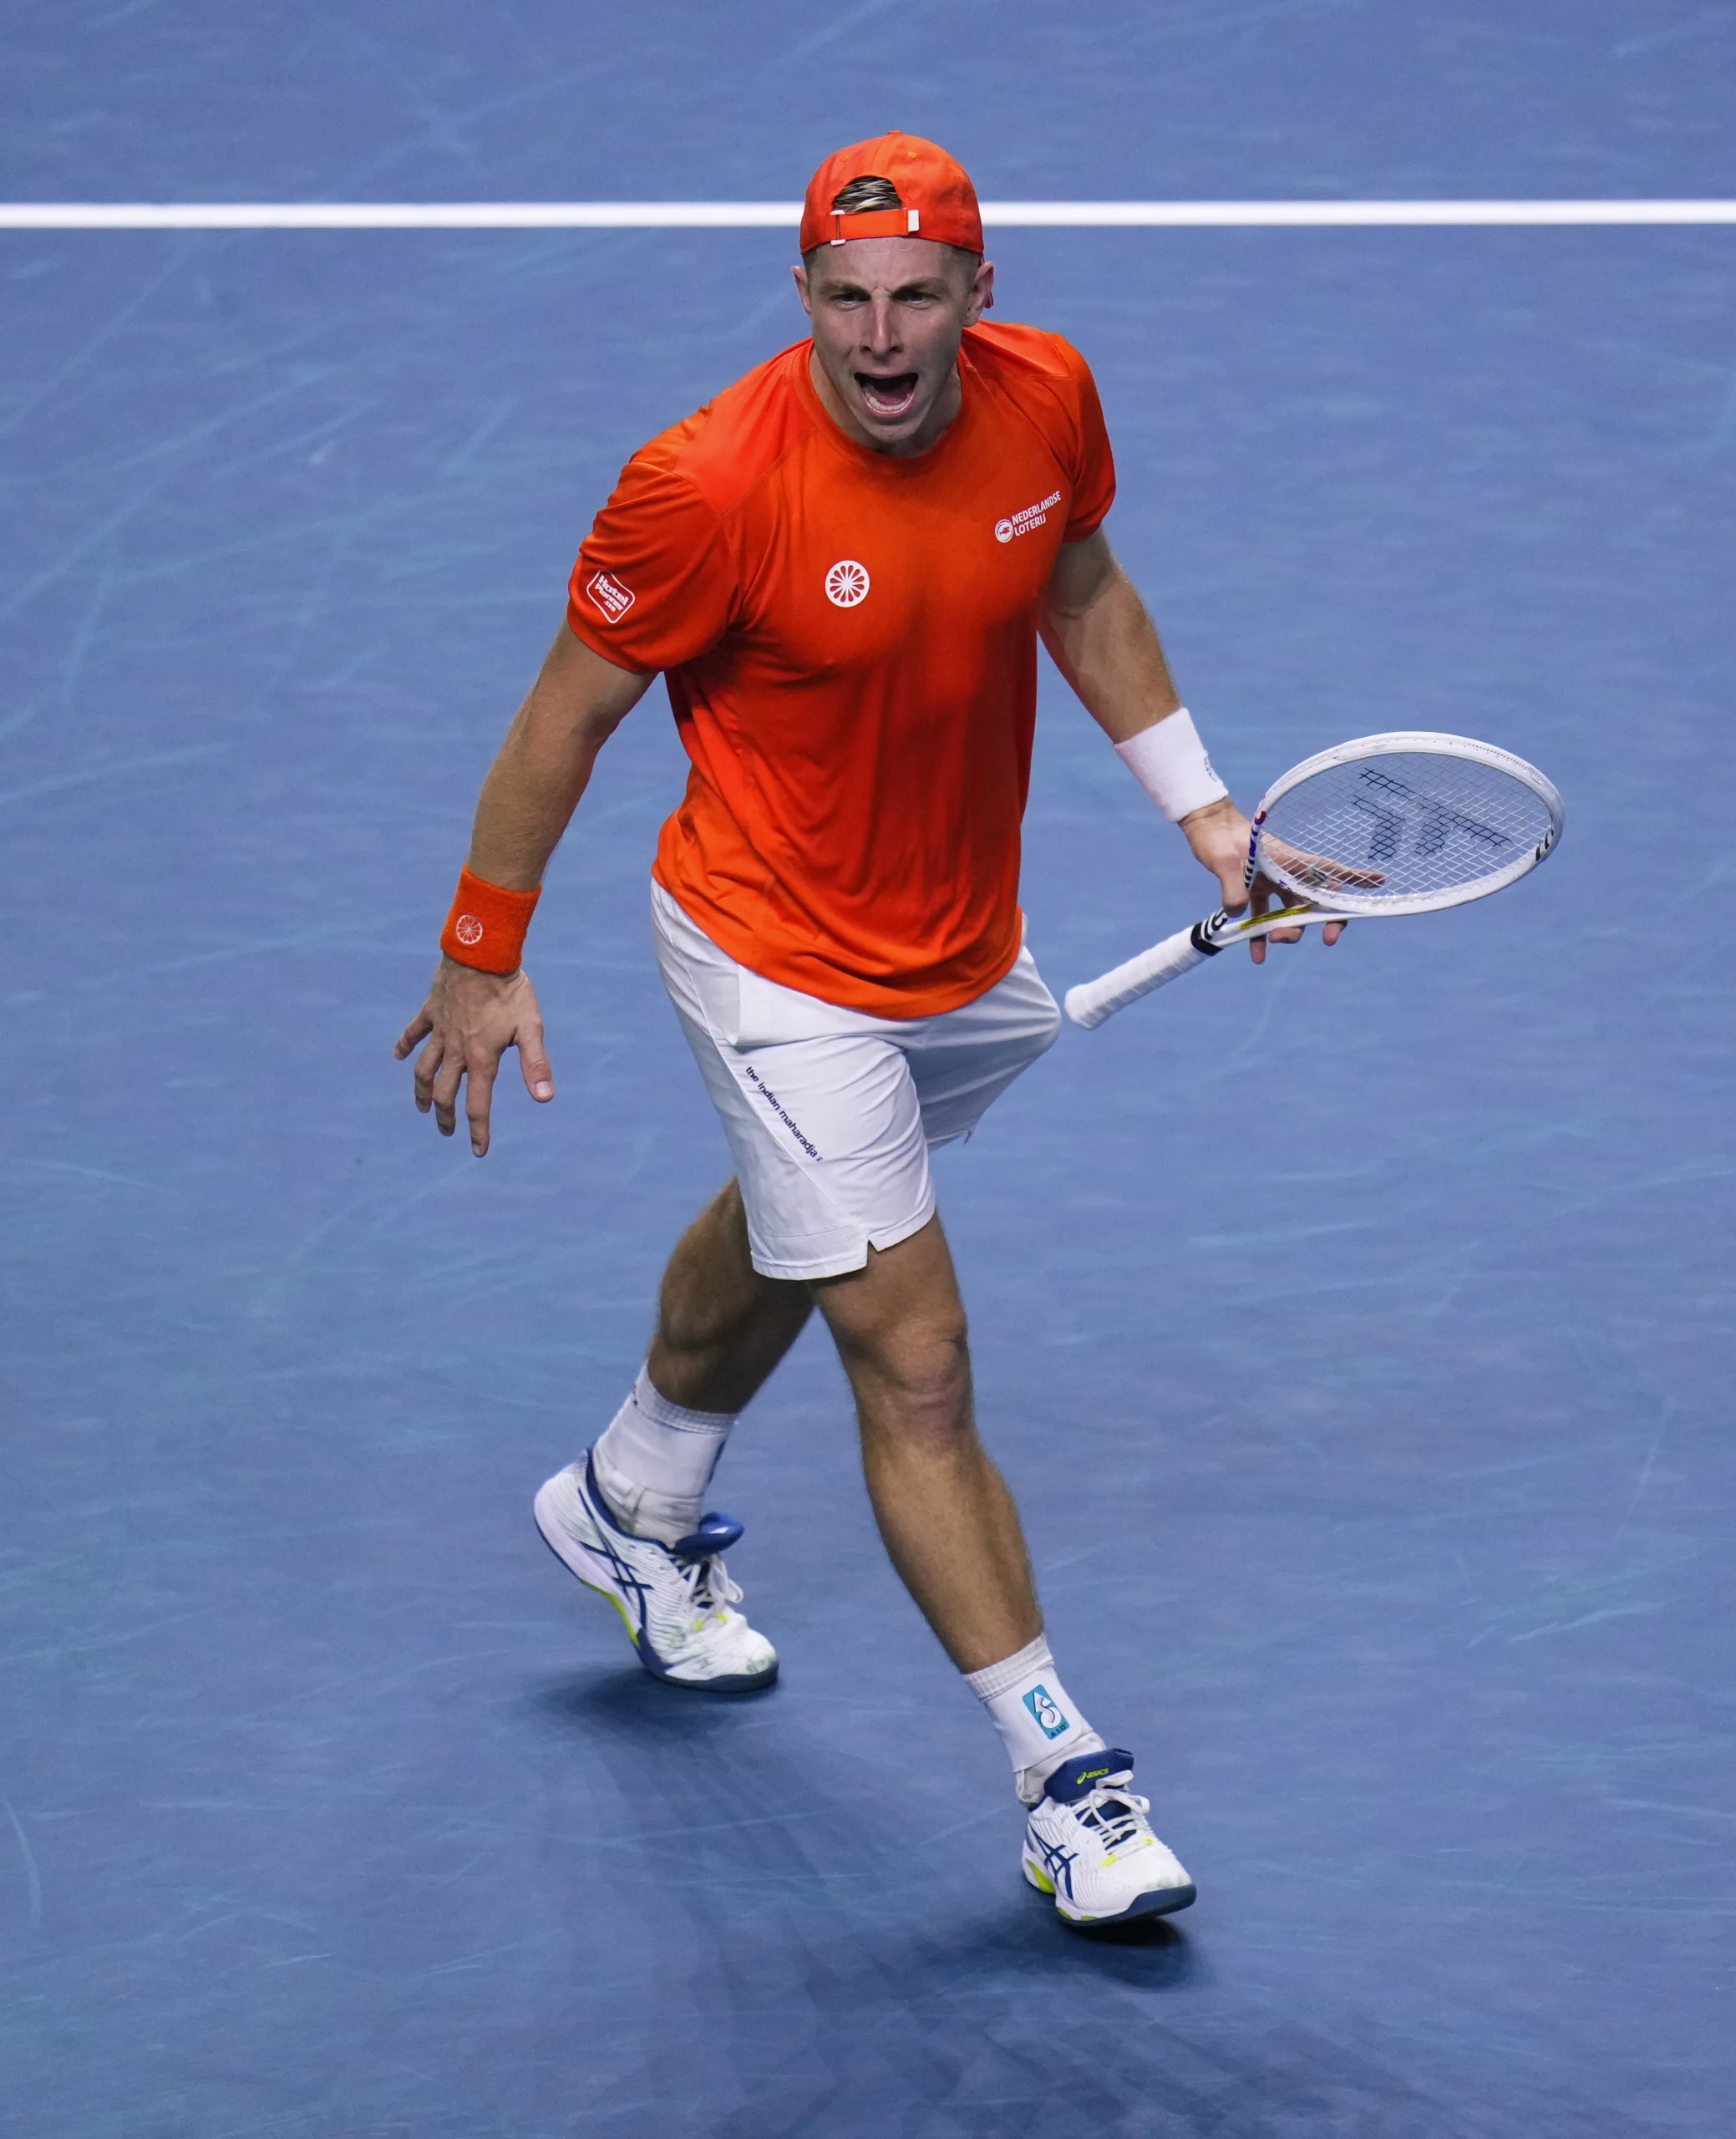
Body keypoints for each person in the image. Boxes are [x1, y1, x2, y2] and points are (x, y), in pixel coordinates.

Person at [393, 132, 1337, 1929]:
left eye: (920, 299)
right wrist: (479, 950)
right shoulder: (701, 485)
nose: (883, 339)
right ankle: (1066, 1775)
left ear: (985, 297)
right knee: (914, 1354)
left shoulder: (1046, 398)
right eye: (848, 300)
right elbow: (563, 719)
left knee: (813, 1212)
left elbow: (1082, 588)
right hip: (772, 952)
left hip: (961, 943)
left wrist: (1211, 816)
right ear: (803, 295)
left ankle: (629, 1496)